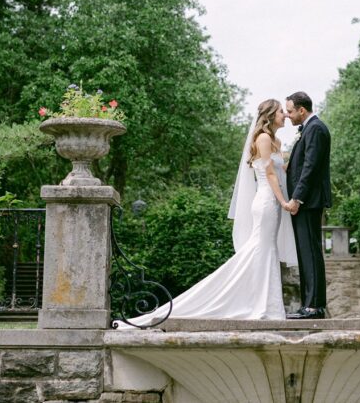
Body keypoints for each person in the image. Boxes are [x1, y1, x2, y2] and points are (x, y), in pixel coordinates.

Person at [116, 99, 297, 327]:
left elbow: (280, 170)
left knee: (267, 249)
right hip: (267, 202)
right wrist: (284, 202)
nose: (285, 115)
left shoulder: (276, 141)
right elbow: (269, 174)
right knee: (262, 249)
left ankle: (268, 305)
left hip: (273, 203)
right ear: (270, 116)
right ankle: (259, 304)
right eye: (281, 111)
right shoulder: (263, 138)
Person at [283, 91, 332, 319]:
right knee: (306, 253)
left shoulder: (316, 129)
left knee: (310, 253)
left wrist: (297, 198)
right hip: (306, 202)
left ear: (302, 110)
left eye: (290, 111)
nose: (288, 115)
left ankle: (313, 307)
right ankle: (309, 305)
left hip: (309, 202)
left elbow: (310, 167)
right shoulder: (310, 129)